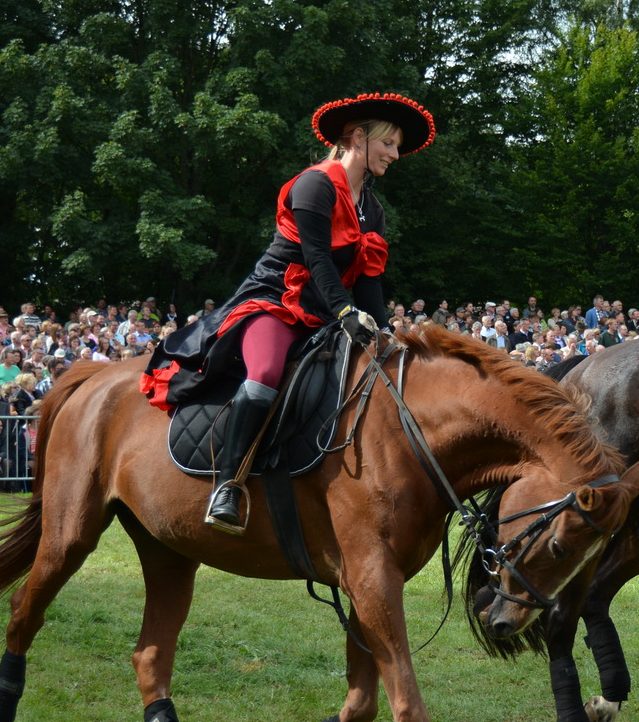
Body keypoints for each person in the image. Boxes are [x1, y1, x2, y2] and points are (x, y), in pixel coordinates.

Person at [140, 92, 435, 533]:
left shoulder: (372, 207)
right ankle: (229, 485)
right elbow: (317, 258)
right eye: (389, 143)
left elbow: (369, 277)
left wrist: (385, 328)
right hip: (277, 301)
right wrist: (344, 311)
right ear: (358, 137)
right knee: (265, 376)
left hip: (327, 312)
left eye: (396, 146)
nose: (395, 154)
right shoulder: (315, 184)